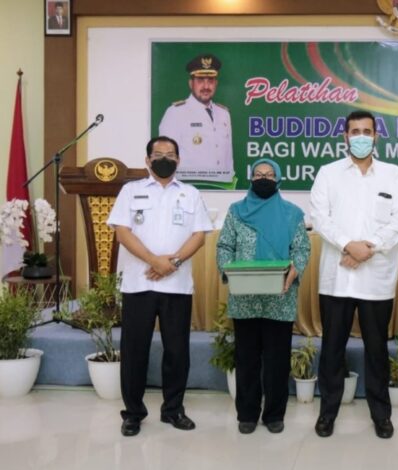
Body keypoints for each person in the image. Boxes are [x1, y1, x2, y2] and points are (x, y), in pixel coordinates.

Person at [309, 110, 398, 439]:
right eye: (355, 131)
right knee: (332, 350)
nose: (361, 137)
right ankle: (327, 414)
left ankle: (381, 415)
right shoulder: (328, 174)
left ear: (376, 135)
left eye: (367, 131)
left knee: (377, 350)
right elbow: (320, 218)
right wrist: (348, 245)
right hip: (337, 278)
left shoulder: (393, 175)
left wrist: (369, 248)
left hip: (376, 279)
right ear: (345, 136)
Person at [107, 136, 213, 436]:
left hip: (177, 285)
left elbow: (199, 236)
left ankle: (173, 410)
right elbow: (122, 233)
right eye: (158, 154)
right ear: (147, 160)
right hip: (138, 284)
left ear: (179, 160)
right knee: (134, 351)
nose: (164, 159)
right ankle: (133, 413)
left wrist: (172, 262)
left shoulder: (190, 193)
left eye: (171, 154)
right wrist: (154, 261)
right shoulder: (131, 190)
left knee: (177, 351)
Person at [216, 158, 310, 435]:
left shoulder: (292, 214)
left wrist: (295, 269)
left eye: (269, 174)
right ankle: (247, 414)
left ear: (278, 179)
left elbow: (301, 249)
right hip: (244, 298)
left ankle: (274, 415)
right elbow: (224, 246)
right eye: (258, 174)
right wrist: (228, 269)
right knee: (246, 359)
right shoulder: (236, 212)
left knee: (277, 361)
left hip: (280, 297)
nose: (264, 178)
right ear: (251, 178)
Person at [159, 54, 234, 183]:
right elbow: (166, 159)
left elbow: (228, 160)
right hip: (189, 186)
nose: (206, 86)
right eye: (200, 80)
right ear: (191, 83)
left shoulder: (224, 114)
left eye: (210, 81)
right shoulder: (175, 113)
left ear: (216, 83)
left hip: (221, 186)